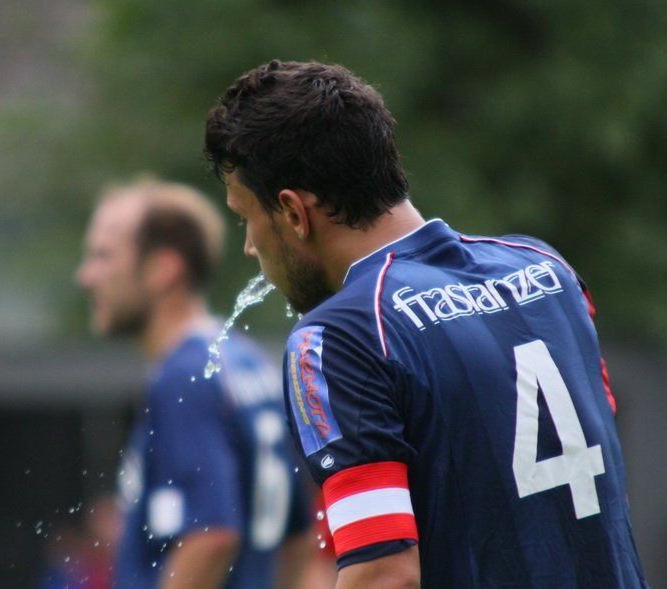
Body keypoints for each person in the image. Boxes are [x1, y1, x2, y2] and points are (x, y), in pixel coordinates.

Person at [204, 60, 649, 588]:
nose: (251, 245)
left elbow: (383, 575)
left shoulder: (337, 337)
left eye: (246, 219)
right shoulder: (545, 270)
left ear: (294, 213)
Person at [76, 176, 311, 589]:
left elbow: (211, 536)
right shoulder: (249, 364)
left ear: (164, 269)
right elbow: (296, 538)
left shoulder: (184, 377)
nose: (87, 276)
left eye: (103, 256)